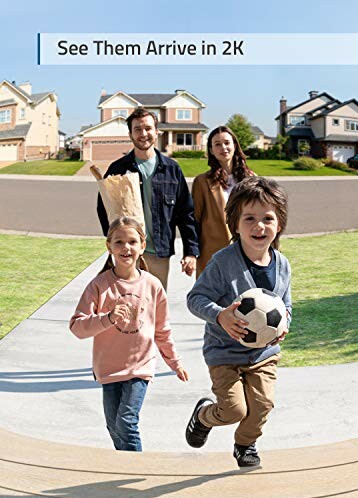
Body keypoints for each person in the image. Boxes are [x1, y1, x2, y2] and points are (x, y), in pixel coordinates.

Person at [185, 177, 292, 468]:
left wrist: (283, 324)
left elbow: (286, 305)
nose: (259, 226)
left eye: (267, 219)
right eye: (250, 218)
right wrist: (220, 315)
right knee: (233, 410)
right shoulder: (223, 262)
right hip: (225, 353)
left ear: (279, 224)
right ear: (235, 223)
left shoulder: (282, 265)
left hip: (263, 354)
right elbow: (196, 298)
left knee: (261, 407)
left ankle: (245, 445)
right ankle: (204, 415)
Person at [70, 216, 188, 452]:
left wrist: (174, 362)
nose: (126, 248)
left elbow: (162, 330)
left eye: (133, 242)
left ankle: (136, 469)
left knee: (126, 422)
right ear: (109, 246)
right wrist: (108, 319)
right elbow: (77, 327)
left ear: (143, 246)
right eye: (119, 242)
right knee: (113, 427)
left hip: (139, 367)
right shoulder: (99, 285)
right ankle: (124, 467)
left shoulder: (153, 286)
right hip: (109, 367)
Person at [97, 107, 199, 290]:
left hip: (159, 253)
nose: (143, 134)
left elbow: (186, 213)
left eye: (148, 128)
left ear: (156, 131)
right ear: (130, 134)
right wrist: (116, 243)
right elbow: (103, 207)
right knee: (126, 306)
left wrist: (190, 252)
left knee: (156, 308)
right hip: (127, 253)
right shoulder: (118, 169)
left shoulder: (172, 169)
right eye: (137, 129)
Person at [191, 126, 253, 278]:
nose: (223, 147)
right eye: (217, 144)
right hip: (212, 253)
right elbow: (194, 220)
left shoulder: (252, 179)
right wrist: (192, 253)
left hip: (247, 251)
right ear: (211, 150)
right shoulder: (202, 182)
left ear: (234, 146)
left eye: (227, 142)